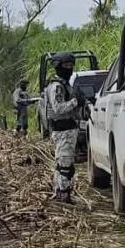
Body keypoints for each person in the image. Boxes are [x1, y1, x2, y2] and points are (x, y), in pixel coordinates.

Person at [43, 52, 84, 204]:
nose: (70, 69)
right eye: (66, 66)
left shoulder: (63, 84)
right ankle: (63, 195)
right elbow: (58, 108)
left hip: (67, 129)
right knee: (65, 164)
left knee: (63, 164)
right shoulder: (57, 86)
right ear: (58, 67)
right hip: (63, 130)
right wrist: (75, 102)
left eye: (71, 66)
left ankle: (61, 192)